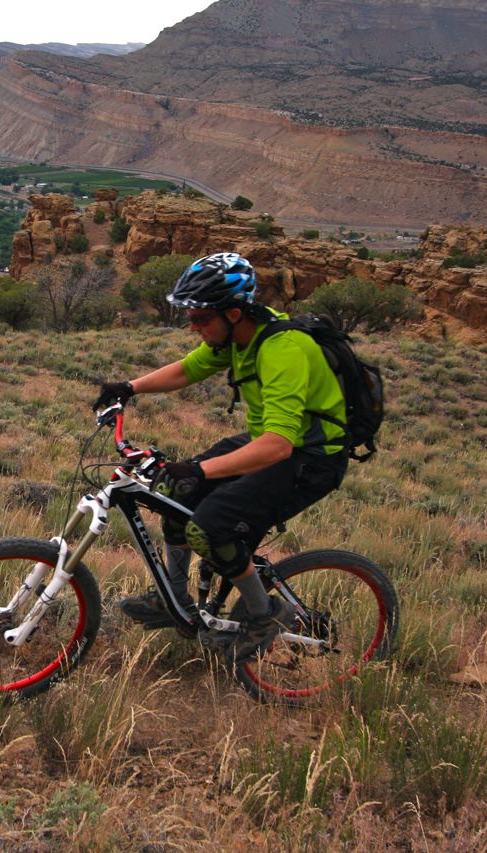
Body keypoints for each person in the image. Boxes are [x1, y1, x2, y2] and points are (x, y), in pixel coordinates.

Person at [92, 252, 351, 661]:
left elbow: (278, 446)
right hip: (269, 442)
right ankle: (173, 598)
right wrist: (128, 387)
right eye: (190, 317)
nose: (193, 327)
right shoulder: (236, 335)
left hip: (310, 458)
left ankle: (264, 616)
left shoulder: (283, 349)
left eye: (200, 318)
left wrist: (199, 470)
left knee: (210, 529)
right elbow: (187, 370)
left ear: (233, 313)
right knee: (171, 492)